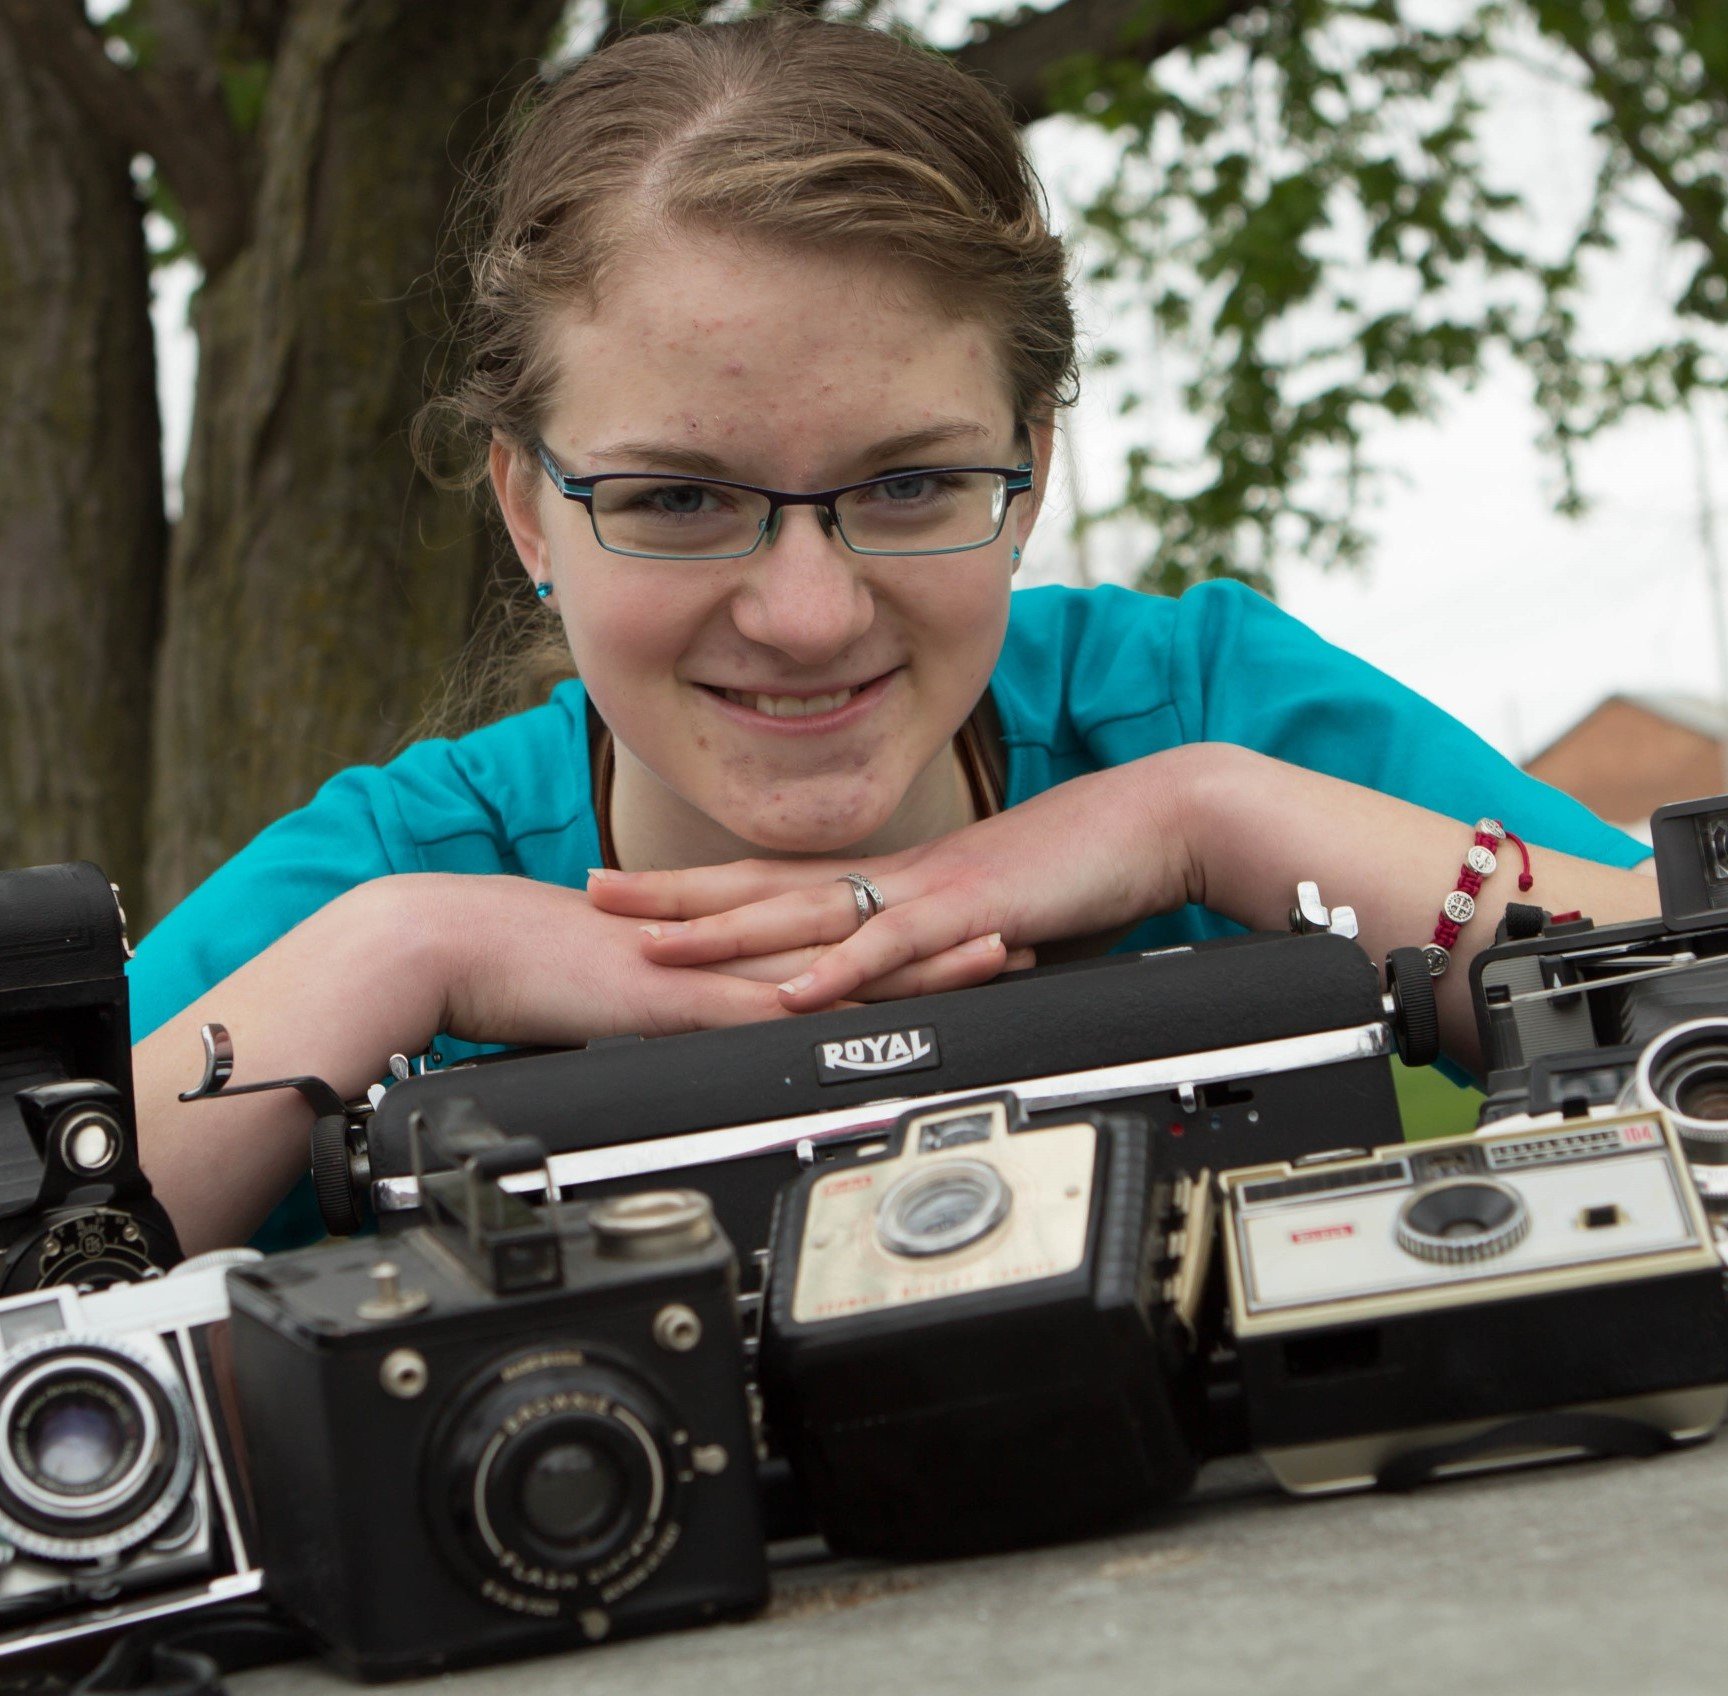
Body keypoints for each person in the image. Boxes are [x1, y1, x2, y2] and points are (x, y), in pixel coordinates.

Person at [128, 11, 1656, 1257]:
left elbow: (1679, 995)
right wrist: (409, 954)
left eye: (913, 483)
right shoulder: (389, 885)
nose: (808, 614)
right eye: (677, 499)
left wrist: (1212, 818)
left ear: (1033, 471)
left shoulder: (1200, 709)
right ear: (528, 512)